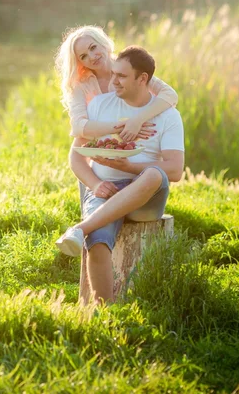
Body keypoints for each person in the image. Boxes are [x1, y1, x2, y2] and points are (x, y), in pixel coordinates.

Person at [56, 45, 185, 304]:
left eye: (121, 77)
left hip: (145, 196)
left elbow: (175, 170)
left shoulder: (168, 115)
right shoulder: (101, 105)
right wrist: (97, 183)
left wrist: (129, 168)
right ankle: (105, 314)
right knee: (98, 241)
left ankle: (80, 228)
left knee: (152, 174)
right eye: (113, 74)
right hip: (107, 188)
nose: (112, 81)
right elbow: (78, 154)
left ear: (142, 79)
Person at [54, 25, 178, 143]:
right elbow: (77, 126)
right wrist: (122, 127)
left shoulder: (126, 65)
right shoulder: (80, 84)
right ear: (80, 62)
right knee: (78, 148)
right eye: (83, 56)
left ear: (103, 43)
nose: (92, 57)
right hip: (105, 139)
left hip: (144, 133)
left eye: (93, 47)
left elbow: (170, 94)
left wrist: (137, 121)